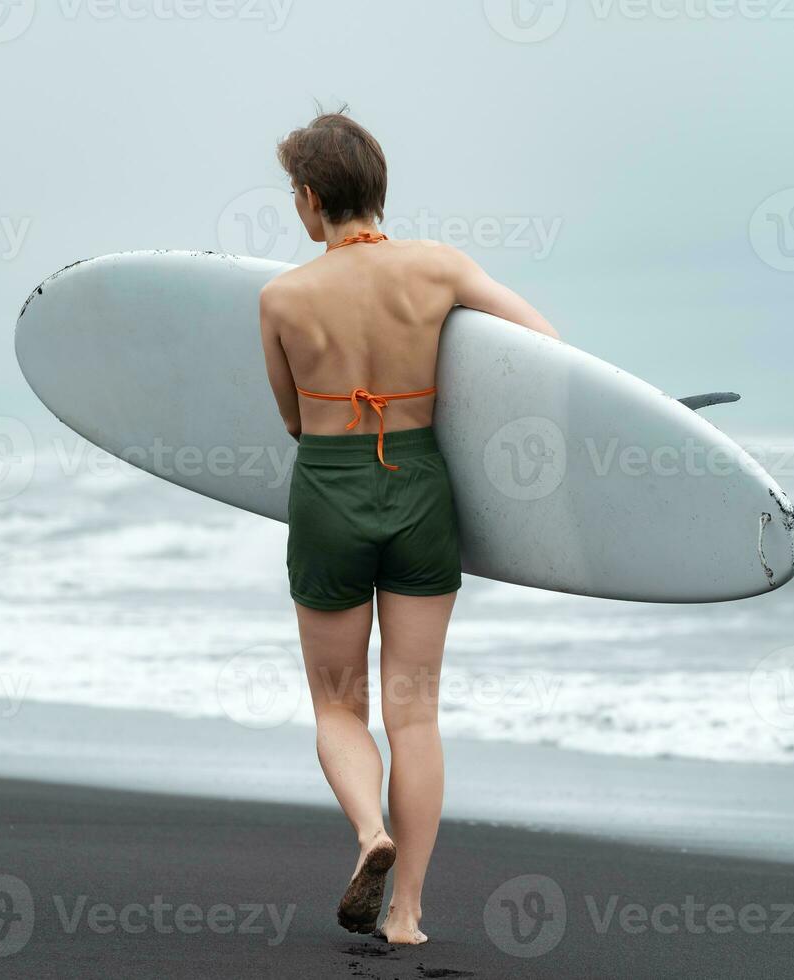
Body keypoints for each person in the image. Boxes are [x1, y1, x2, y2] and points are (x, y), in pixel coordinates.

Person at [258, 109, 558, 945]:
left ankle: (368, 833)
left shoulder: (281, 297)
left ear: (310, 199)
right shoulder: (438, 268)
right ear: (378, 191)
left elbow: (291, 418)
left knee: (337, 701)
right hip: (422, 486)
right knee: (415, 710)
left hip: (329, 490)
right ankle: (411, 913)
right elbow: (541, 346)